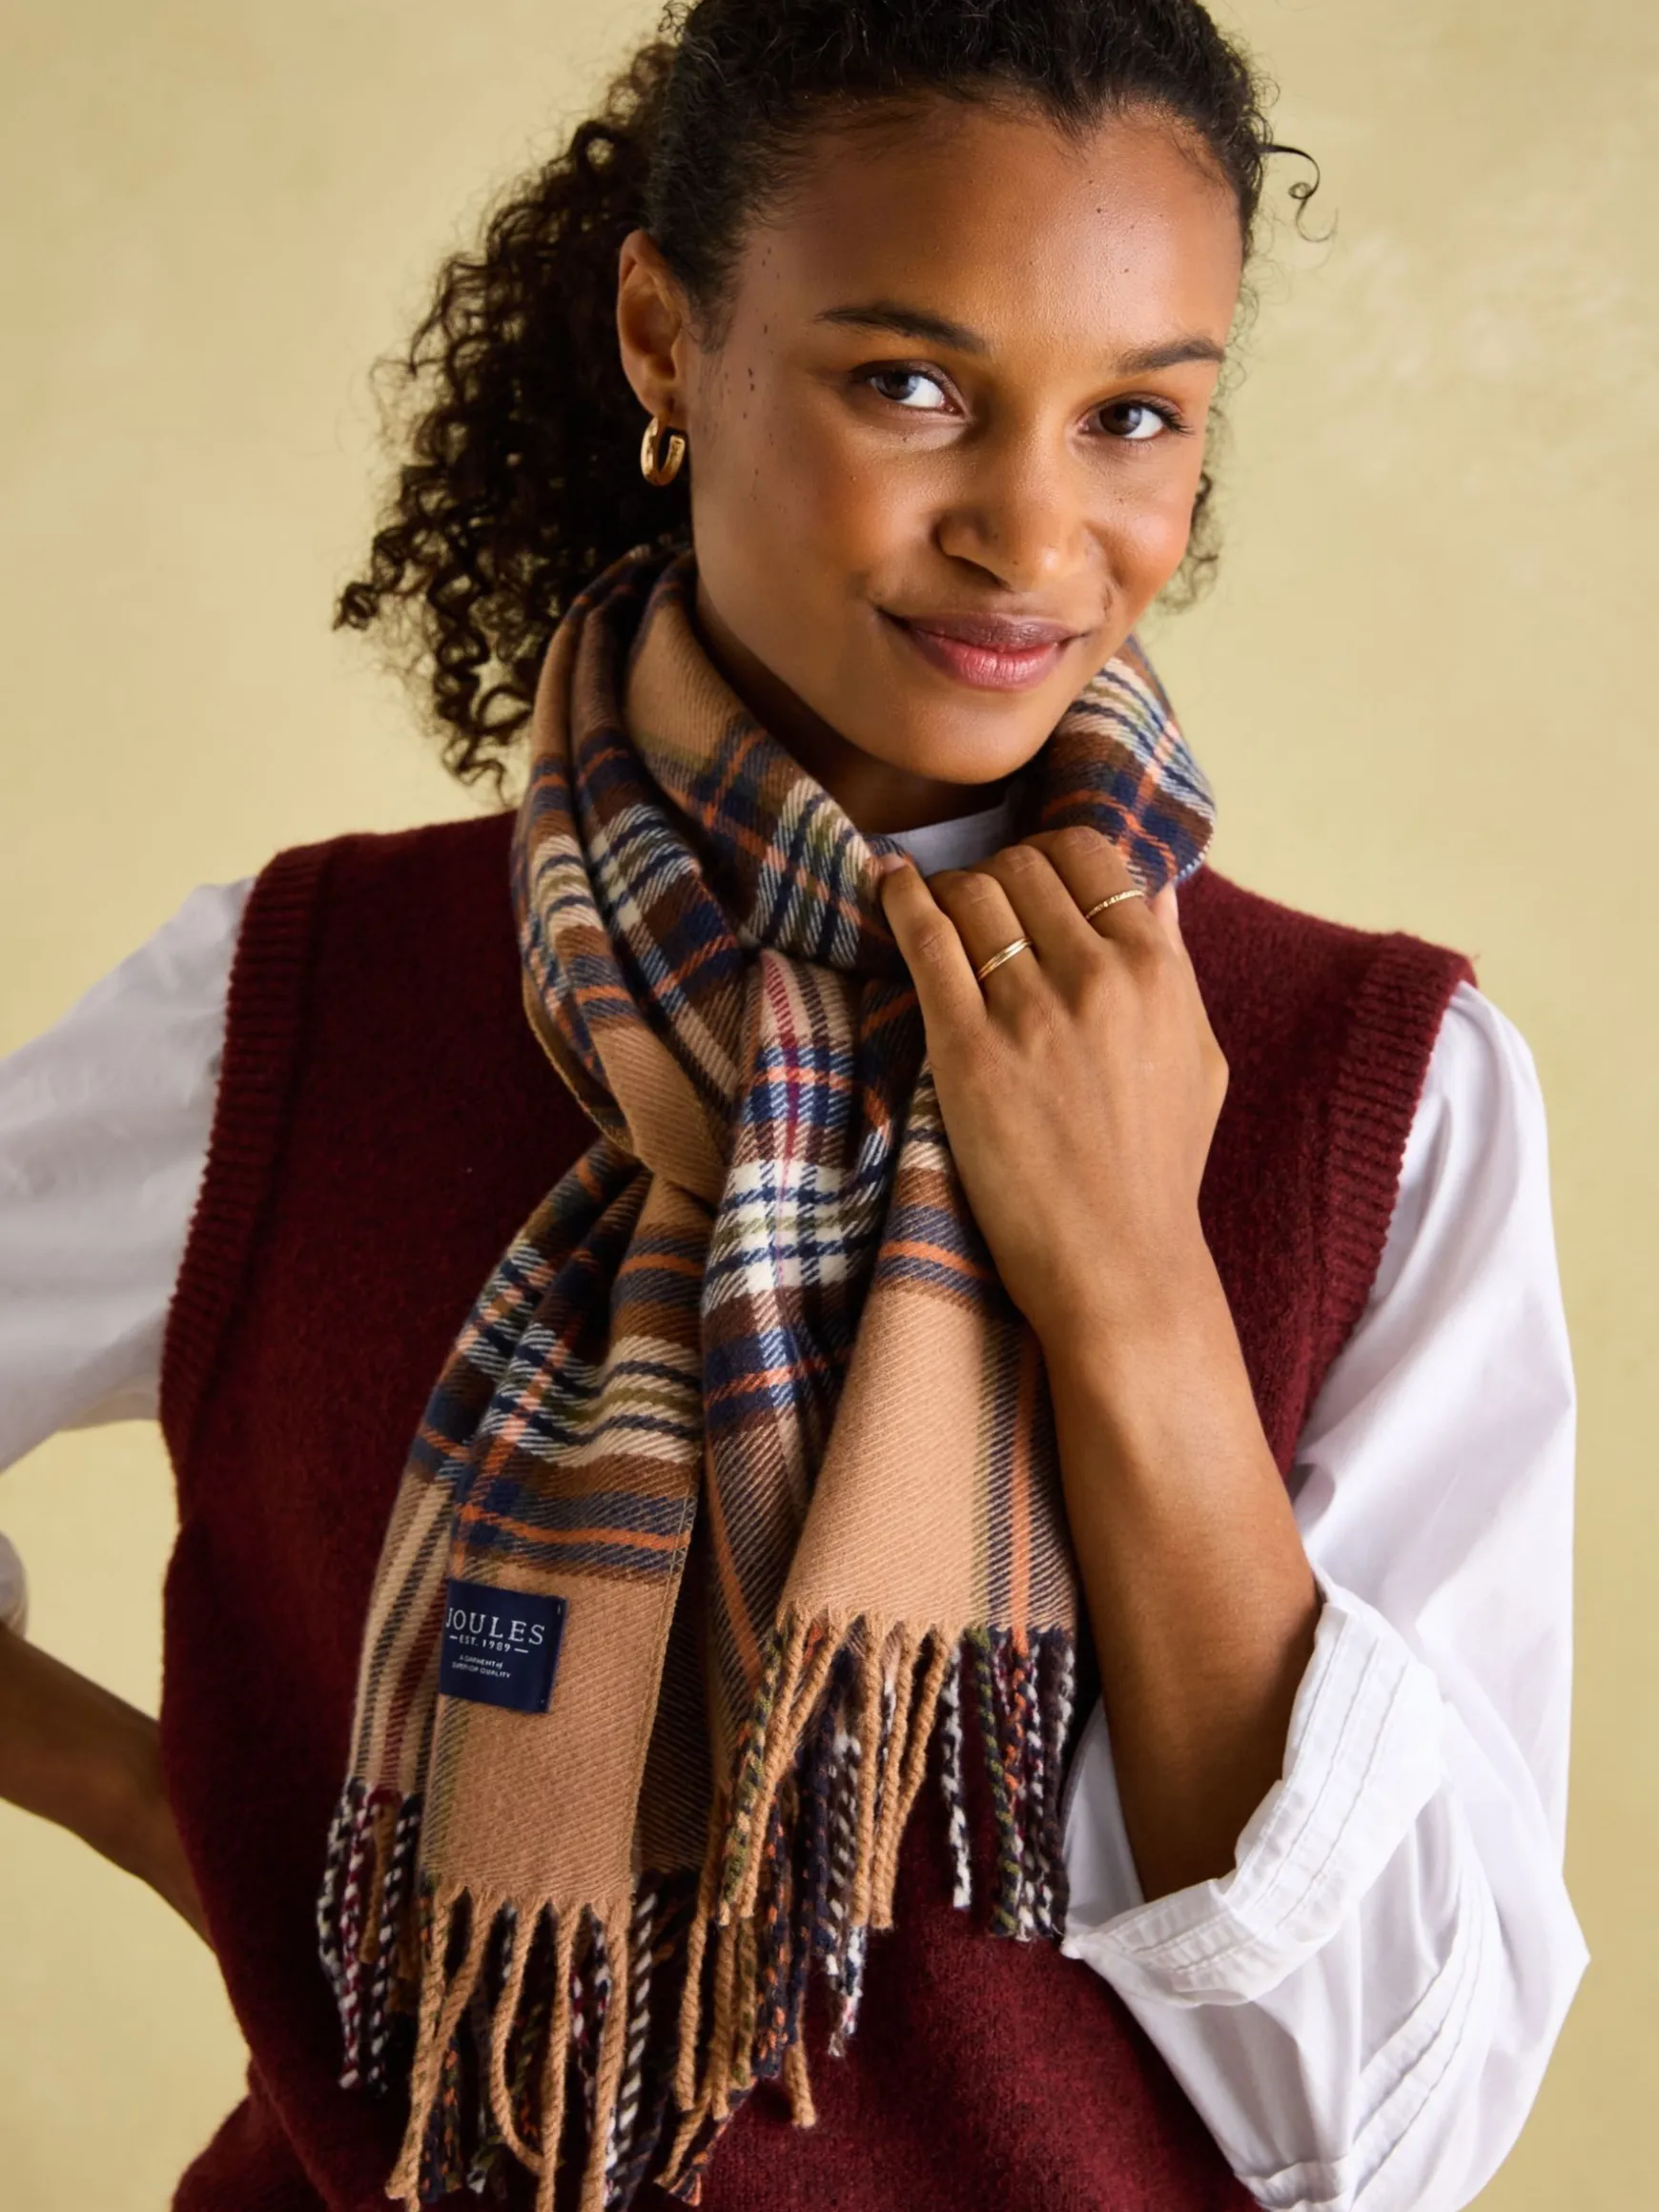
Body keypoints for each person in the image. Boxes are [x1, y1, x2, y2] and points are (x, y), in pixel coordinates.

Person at [0, 2, 1587, 2208]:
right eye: (912, 385)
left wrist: (1132, 1285)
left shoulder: (1376, 1094)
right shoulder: (295, 1000)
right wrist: (180, 1816)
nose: (1032, 530)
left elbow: (1395, 2129)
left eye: (1135, 415)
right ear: (666, 338)